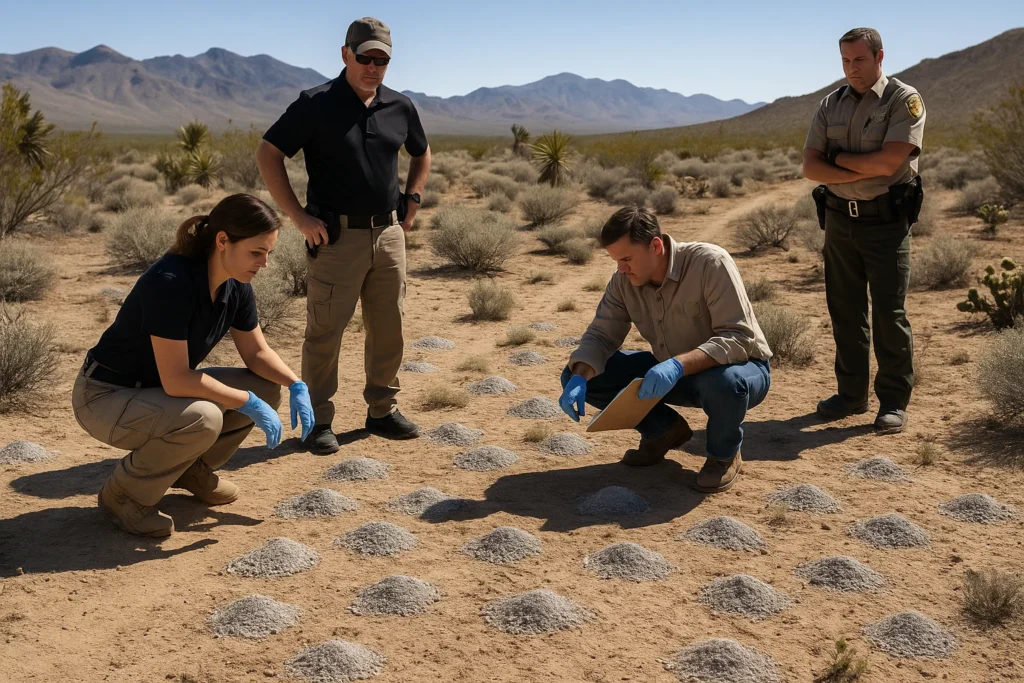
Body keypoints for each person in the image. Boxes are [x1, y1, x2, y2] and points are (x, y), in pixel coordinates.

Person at [72, 194, 315, 537]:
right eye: (256, 253)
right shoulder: (171, 282)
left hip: (155, 391)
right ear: (222, 241)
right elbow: (177, 380)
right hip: (104, 396)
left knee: (263, 386)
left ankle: (190, 469)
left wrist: (296, 385)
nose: (264, 264)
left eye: (268, 254)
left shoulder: (237, 285)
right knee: (205, 417)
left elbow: (257, 354)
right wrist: (246, 403)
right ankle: (125, 496)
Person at [256, 16, 431, 454]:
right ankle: (317, 421)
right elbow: (268, 153)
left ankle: (383, 410)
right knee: (325, 332)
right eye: (365, 57)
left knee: (389, 326)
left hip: (389, 235)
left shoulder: (399, 106)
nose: (373, 67)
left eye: (381, 61)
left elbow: (422, 151)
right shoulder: (315, 103)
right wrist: (298, 217)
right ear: (345, 54)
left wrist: (413, 198)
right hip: (334, 239)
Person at [558, 207, 772, 493]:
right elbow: (601, 335)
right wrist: (580, 376)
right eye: (615, 260)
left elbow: (738, 338)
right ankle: (662, 432)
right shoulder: (623, 281)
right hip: (671, 372)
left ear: (655, 246)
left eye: (626, 259)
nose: (621, 268)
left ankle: (724, 455)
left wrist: (677, 365)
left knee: (725, 382)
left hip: (738, 371)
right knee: (585, 371)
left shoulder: (710, 263)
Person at [803, 27, 926, 435]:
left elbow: (888, 164)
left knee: (889, 314)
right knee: (845, 309)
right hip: (839, 220)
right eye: (845, 61)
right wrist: (856, 162)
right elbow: (810, 168)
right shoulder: (829, 104)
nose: (851, 68)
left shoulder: (903, 101)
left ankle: (892, 402)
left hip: (885, 224)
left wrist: (836, 158)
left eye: (859, 59)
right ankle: (850, 395)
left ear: (879, 57)